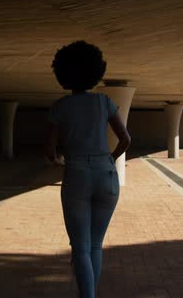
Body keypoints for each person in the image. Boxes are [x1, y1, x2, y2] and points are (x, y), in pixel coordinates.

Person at [45, 41, 131, 298]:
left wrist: (61, 160)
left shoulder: (60, 107)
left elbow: (49, 152)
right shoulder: (105, 102)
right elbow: (125, 140)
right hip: (106, 172)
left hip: (76, 171)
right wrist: (109, 159)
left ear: (63, 73)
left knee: (80, 247)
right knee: (95, 245)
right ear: (96, 70)